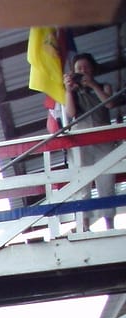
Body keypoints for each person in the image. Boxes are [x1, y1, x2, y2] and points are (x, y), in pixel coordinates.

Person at [63, 53, 119, 230]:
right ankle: (84, 224)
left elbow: (109, 104)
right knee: (82, 183)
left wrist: (92, 85)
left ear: (93, 69)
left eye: (86, 67)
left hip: (104, 138)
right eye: (79, 69)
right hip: (81, 139)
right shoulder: (72, 92)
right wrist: (69, 90)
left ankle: (109, 224)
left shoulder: (104, 86)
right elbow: (71, 113)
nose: (83, 71)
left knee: (106, 181)